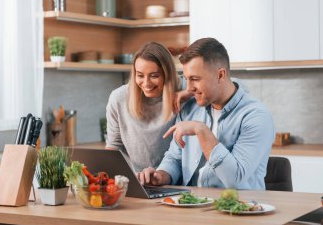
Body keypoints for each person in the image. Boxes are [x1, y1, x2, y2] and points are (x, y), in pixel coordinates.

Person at [138, 37, 275, 190]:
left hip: (237, 208)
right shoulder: (190, 109)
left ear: (221, 75)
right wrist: (161, 175)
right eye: (187, 79)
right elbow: (175, 158)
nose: (189, 88)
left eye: (195, 79)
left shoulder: (256, 117)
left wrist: (201, 130)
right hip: (191, 205)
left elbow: (234, 179)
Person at [105, 42, 184, 172]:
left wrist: (189, 92)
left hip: (175, 179)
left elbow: (224, 84)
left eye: (154, 76)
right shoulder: (119, 98)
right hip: (137, 179)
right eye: (140, 75)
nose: (146, 83)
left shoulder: (182, 94)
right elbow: (114, 145)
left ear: (167, 74)